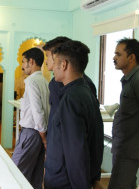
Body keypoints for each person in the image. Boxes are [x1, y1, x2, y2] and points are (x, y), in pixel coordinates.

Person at [44, 40, 104, 189]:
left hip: (64, 180)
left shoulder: (71, 99)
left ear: (63, 64)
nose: (53, 68)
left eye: (55, 62)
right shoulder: (82, 91)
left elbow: (76, 150)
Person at [108, 38, 139, 189]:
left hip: (131, 148)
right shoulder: (130, 79)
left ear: (131, 57)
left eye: (118, 54)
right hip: (124, 145)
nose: (114, 58)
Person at [11, 47, 50, 189]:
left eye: (23, 62)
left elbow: (37, 111)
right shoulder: (45, 81)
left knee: (14, 172)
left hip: (33, 133)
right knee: (35, 176)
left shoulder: (31, 81)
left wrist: (43, 137)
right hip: (39, 133)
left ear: (31, 62)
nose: (22, 66)